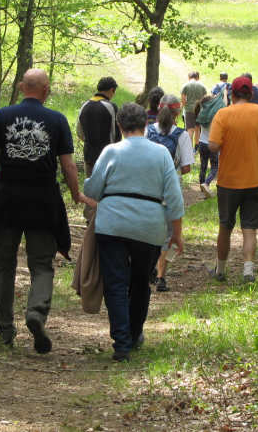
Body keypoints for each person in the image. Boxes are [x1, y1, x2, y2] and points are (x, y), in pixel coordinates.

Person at [0, 69, 96, 353]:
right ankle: (35, 312)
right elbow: (69, 165)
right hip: (43, 201)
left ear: (22, 87)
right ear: (46, 90)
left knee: (4, 265)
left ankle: (4, 329)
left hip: (7, 198)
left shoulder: (2, 116)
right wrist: (76, 194)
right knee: (41, 265)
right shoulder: (57, 119)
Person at [84, 102, 185, 362]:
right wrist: (176, 233)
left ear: (120, 126)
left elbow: (92, 191)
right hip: (149, 226)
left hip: (112, 225)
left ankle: (122, 343)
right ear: (145, 125)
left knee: (116, 284)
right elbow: (174, 198)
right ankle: (134, 331)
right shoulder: (161, 153)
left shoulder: (111, 151)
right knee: (140, 282)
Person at [207, 76, 258, 283]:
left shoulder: (223, 114)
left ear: (233, 94)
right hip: (257, 180)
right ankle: (248, 271)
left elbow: (213, 146)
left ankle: (220, 271)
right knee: (249, 228)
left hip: (229, 182)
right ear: (251, 95)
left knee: (225, 227)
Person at [145, 94, 193, 292]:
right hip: (170, 188)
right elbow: (187, 168)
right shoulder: (182, 135)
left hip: (147, 188)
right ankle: (161, 276)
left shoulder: (147, 131)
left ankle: (147, 269)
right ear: (178, 113)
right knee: (169, 234)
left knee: (148, 231)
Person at [76, 76, 121, 178]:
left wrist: (89, 141)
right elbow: (115, 133)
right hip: (106, 157)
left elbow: (79, 131)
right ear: (111, 90)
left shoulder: (85, 105)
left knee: (90, 189)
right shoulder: (111, 106)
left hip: (89, 155)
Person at [194, 94, 219, 199]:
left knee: (203, 167)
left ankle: (202, 191)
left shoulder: (201, 113)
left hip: (202, 144)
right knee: (215, 167)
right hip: (211, 144)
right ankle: (206, 183)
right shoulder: (214, 115)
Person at [180, 71, 207, 150]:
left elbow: (183, 100)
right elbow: (205, 99)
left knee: (190, 129)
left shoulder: (185, 85)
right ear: (197, 78)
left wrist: (184, 106)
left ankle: (189, 149)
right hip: (199, 110)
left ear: (189, 77)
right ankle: (197, 147)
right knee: (197, 128)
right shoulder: (202, 86)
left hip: (189, 110)